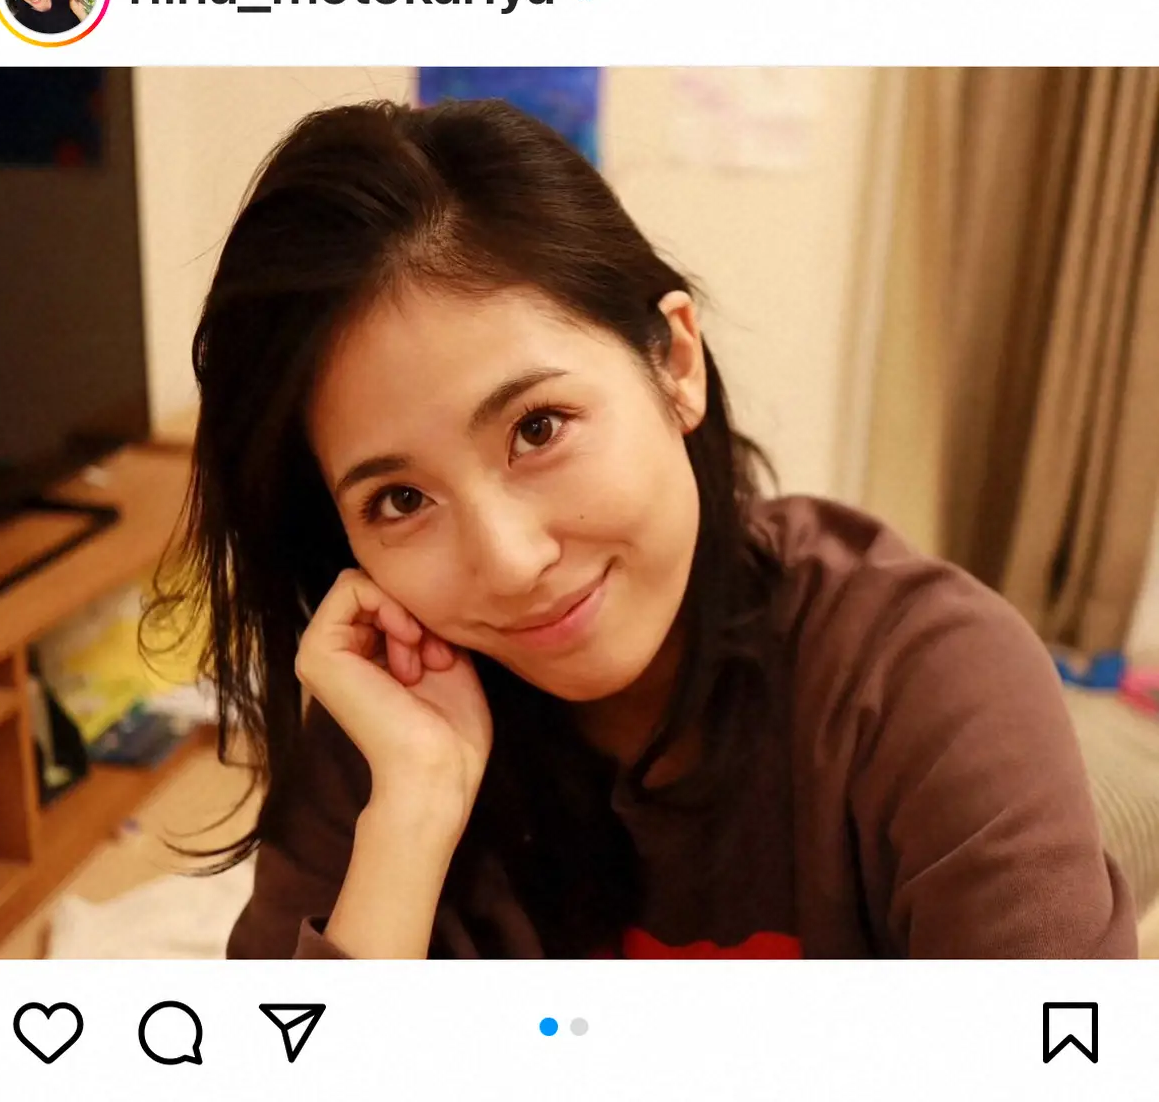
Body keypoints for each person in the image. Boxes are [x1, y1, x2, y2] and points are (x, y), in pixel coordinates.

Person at [145, 98, 1137, 960]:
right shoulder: (391, 712)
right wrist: (413, 810)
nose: (511, 562)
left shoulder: (924, 677)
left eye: (538, 429)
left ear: (675, 363)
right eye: (399, 501)